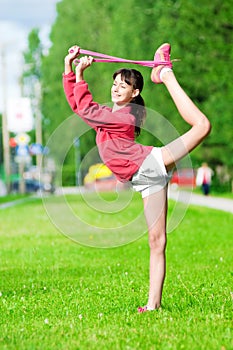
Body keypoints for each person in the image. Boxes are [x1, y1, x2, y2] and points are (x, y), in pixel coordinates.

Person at [63, 43, 211, 313]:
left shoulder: (128, 115)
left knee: (202, 126)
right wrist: (68, 69)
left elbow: (87, 110)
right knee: (157, 242)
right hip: (146, 178)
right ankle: (153, 305)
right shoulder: (109, 116)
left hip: (151, 164)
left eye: (123, 85)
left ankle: (164, 74)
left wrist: (81, 76)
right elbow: (79, 107)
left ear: (135, 92)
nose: (116, 88)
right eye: (115, 84)